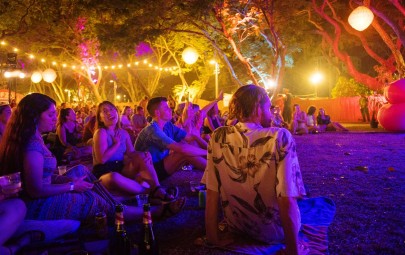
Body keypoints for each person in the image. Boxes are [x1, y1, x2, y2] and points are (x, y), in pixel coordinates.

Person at [0, 93, 184, 224]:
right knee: (97, 202)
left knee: (81, 172)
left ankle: (147, 194)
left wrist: (67, 179)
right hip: (38, 204)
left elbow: (44, 176)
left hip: (113, 169)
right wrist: (72, 186)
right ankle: (153, 211)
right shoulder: (32, 146)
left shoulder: (36, 137)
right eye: (50, 114)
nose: (54, 117)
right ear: (33, 117)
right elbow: (35, 190)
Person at [202, 84, 307, 254]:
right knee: (300, 202)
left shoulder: (218, 136)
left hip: (238, 227)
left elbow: (211, 191)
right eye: (268, 108)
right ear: (258, 107)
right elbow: (286, 197)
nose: (271, 113)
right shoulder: (279, 137)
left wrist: (213, 238)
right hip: (274, 233)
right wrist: (293, 250)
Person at [92, 101, 181, 204]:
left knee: (142, 156)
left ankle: (157, 188)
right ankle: (152, 192)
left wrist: (144, 155)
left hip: (121, 168)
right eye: (105, 111)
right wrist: (115, 144)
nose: (109, 113)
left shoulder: (123, 133)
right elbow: (101, 159)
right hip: (103, 173)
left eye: (111, 109)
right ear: (100, 118)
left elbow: (131, 153)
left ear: (116, 112)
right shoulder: (101, 132)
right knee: (114, 177)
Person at [135, 97, 207, 181]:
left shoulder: (168, 125)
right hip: (149, 171)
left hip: (161, 165)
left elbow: (190, 138)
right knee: (182, 152)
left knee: (191, 144)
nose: (170, 110)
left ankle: (215, 166)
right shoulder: (153, 130)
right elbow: (182, 149)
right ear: (157, 113)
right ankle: (216, 170)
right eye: (166, 108)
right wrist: (208, 153)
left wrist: (207, 147)